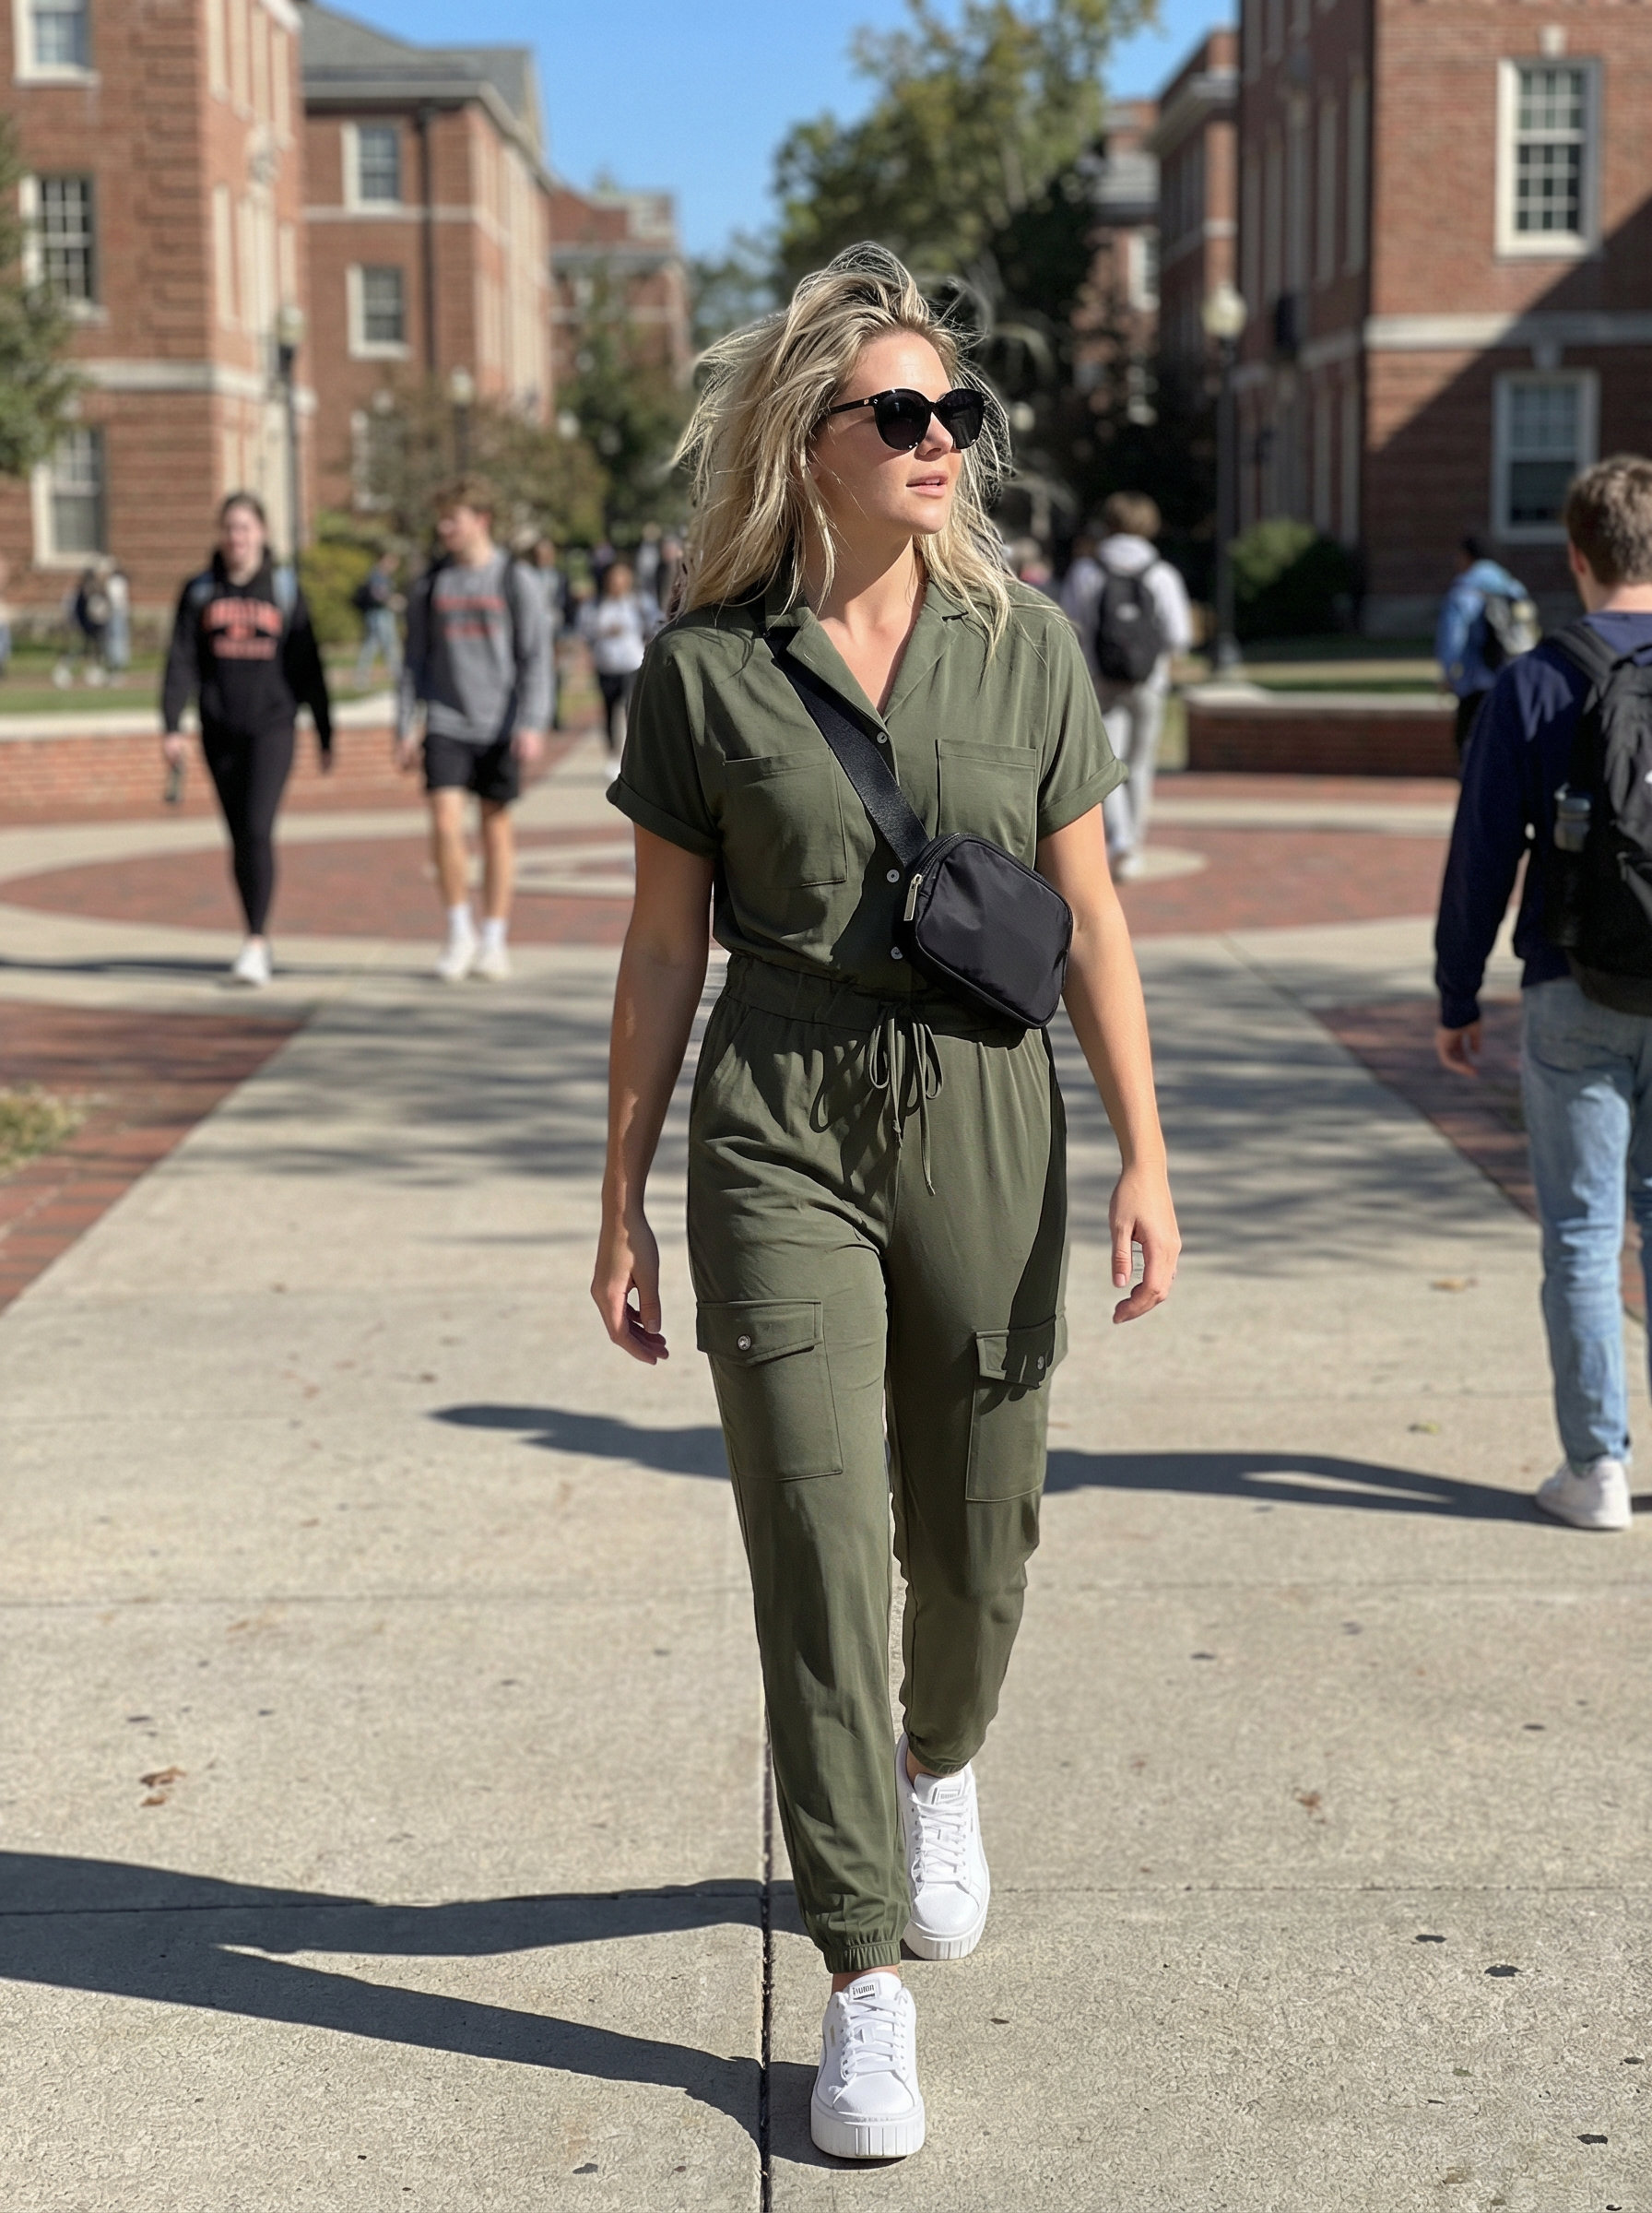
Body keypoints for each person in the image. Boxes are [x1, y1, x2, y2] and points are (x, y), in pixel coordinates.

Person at [592, 243, 1179, 2161]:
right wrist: (618, 1189)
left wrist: (1147, 1156)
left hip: (987, 1110)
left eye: (956, 415)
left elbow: (1087, 916)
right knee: (821, 1542)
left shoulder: (1021, 650)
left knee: (981, 1520)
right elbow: (659, 947)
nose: (940, 442)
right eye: (900, 415)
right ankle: (859, 1976)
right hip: (775, 1109)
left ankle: (941, 1763)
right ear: (809, 442)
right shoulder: (706, 672)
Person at [1435, 455, 1652, 1533]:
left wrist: (1456, 993)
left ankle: (1596, 1469)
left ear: (1576, 556)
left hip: (1573, 983)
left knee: (1578, 1231)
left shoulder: (1533, 682)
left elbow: (1481, 855)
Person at [161, 491, 334, 987]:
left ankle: (255, 942)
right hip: (219, 729)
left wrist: (324, 728)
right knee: (240, 837)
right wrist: (172, 725)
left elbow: (308, 664)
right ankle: (253, 930)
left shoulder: (282, 589)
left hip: (272, 727)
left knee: (258, 829)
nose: (237, 538)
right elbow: (180, 663)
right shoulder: (199, 592)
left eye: (245, 528)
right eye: (229, 528)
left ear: (262, 533)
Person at [395, 478, 550, 983]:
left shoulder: (514, 579)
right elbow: (413, 659)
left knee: (495, 828)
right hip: (446, 719)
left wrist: (531, 721)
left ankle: (494, 938)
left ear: (480, 520)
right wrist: (405, 723)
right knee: (444, 823)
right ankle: (458, 930)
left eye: (453, 518)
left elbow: (535, 656)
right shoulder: (432, 583)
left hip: (500, 724)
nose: (444, 528)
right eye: (442, 519)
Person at [1059, 492, 1193, 881]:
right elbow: (1178, 635)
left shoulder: (1087, 570)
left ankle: (1118, 841)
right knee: (1142, 763)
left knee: (1107, 764)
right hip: (1150, 681)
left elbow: (1070, 625)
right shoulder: (1161, 573)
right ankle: (1134, 844)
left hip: (1100, 679)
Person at [1435, 533, 1538, 758]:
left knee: (1470, 752)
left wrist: (1449, 675)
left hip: (1476, 685)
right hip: (1514, 680)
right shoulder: (1513, 587)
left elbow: (1452, 640)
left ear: (1467, 557)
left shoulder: (1463, 592)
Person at [579, 560, 657, 773]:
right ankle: (613, 755)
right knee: (608, 712)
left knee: (632, 711)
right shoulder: (595, 605)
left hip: (632, 664)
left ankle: (635, 758)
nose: (617, 582)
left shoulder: (640, 602)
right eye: (613, 578)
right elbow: (585, 631)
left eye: (621, 577)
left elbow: (656, 625)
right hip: (606, 665)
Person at [527, 537, 566, 728]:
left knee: (556, 671)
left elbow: (565, 603)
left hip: (555, 629)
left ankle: (555, 713)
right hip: (534, 629)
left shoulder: (559, 576)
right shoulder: (527, 576)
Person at [351, 551, 402, 687]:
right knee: (387, 644)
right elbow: (378, 595)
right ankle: (397, 675)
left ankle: (362, 677)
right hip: (379, 615)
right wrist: (392, 601)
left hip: (381, 614)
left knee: (373, 645)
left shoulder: (383, 576)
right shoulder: (377, 575)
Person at [104, 560, 131, 676]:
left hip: (119, 613)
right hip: (115, 613)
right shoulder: (113, 582)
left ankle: (119, 663)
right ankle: (116, 664)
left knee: (120, 638)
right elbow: (114, 600)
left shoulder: (119, 581)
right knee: (116, 639)